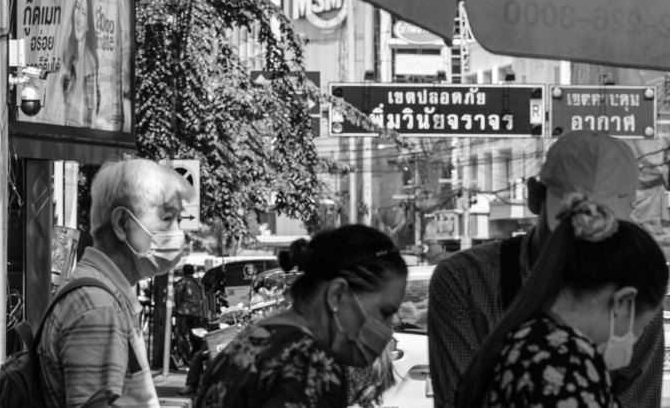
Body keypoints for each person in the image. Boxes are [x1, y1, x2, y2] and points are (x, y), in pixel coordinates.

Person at [428, 130, 664, 408]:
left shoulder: (531, 345)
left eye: (599, 233)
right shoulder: (465, 280)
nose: (578, 249)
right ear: (535, 196)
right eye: (569, 228)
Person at [456, 194, 668, 407]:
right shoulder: (566, 362)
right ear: (623, 302)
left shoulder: (522, 342)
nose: (633, 340)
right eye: (640, 327)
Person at [193, 225, 408, 408]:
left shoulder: (253, 341)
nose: (388, 328)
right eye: (385, 312)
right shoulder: (309, 363)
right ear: (337, 295)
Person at [37, 158, 193, 408]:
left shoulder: (101, 297)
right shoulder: (99, 309)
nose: (178, 232)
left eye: (178, 220)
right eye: (167, 218)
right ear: (122, 223)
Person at [61, 0, 100, 127]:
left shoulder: (92, 64)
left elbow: (94, 109)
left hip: (84, 133)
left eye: (83, 13)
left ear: (89, 24)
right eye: (77, 8)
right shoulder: (67, 51)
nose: (78, 17)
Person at [174, 264, 205, 364]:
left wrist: (177, 307)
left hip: (184, 312)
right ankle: (195, 358)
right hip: (197, 313)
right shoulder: (198, 283)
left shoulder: (182, 282)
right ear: (193, 272)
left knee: (181, 336)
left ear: (183, 272)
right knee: (195, 337)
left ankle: (186, 359)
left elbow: (177, 295)